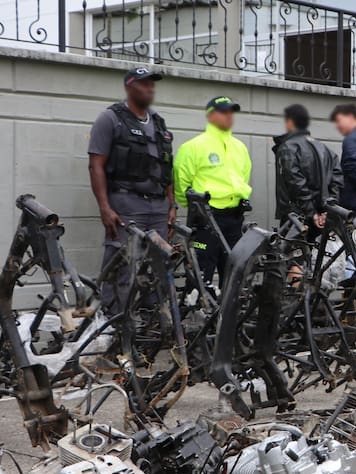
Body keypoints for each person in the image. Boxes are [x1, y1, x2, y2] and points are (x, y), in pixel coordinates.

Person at [87, 66, 176, 312]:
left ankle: (151, 326)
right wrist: (104, 207)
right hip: (127, 205)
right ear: (129, 87)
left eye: (152, 84)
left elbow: (167, 167)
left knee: (158, 267)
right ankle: (114, 325)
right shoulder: (110, 119)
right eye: (144, 84)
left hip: (158, 207)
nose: (150, 88)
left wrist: (172, 205)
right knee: (122, 267)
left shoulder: (158, 122)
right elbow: (96, 166)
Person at [173, 96, 252, 285]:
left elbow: (243, 177)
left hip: (234, 219)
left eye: (231, 112)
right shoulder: (193, 147)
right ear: (210, 116)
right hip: (205, 219)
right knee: (201, 276)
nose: (229, 116)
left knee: (233, 275)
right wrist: (196, 209)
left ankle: (227, 315)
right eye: (224, 112)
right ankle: (198, 312)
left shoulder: (240, 147)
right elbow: (181, 184)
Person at [272, 103, 343, 238]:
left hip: (296, 219)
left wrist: (312, 213)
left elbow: (295, 182)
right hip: (321, 218)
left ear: (290, 121)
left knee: (293, 256)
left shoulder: (288, 147)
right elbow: (337, 182)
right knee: (318, 257)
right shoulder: (325, 149)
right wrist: (328, 211)